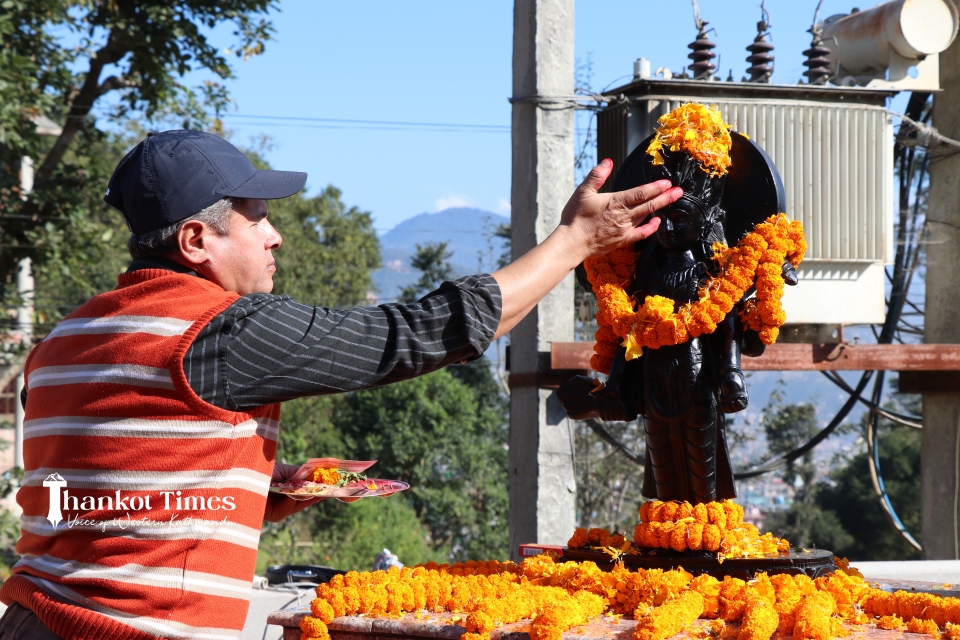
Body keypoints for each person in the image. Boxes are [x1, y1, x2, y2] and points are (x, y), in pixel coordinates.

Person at [0, 129, 681, 640]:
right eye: (255, 216)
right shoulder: (226, 331)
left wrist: (256, 495)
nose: (276, 236)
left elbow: (110, 489)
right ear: (194, 242)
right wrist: (574, 241)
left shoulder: (62, 342)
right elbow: (422, 332)